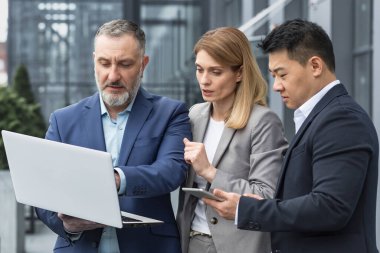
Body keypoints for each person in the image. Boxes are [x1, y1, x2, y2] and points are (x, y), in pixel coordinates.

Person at [203, 19, 379, 253]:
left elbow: (330, 207)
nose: (276, 86)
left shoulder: (341, 120)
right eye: (273, 75)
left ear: (315, 66)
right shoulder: (320, 115)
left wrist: (246, 210)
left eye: (282, 74)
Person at [35, 19, 191, 253]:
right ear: (93, 62)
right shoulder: (63, 119)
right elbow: (42, 191)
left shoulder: (171, 112)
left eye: (125, 64)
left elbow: (170, 171)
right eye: (104, 63)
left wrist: (115, 178)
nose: (113, 75)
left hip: (149, 246)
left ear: (143, 64)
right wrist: (68, 225)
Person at [176, 27, 288, 253]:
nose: (204, 80)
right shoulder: (195, 115)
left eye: (216, 72)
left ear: (239, 73)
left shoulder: (263, 121)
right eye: (200, 70)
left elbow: (266, 196)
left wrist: (210, 172)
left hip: (237, 245)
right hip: (190, 242)